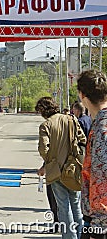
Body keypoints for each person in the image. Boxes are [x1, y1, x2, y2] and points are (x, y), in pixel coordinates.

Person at [35, 96, 86, 239]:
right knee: (76, 205)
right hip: (73, 169)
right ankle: (81, 234)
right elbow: (83, 140)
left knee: (63, 207)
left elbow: (43, 149)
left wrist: (50, 163)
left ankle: (70, 236)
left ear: (44, 110)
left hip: (56, 171)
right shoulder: (71, 119)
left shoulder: (46, 125)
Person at [77, 70, 107, 239]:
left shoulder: (102, 129)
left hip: (100, 222)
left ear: (82, 96)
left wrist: (97, 226)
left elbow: (101, 179)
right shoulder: (99, 123)